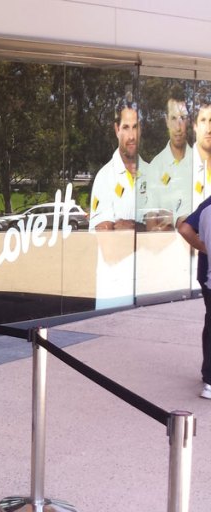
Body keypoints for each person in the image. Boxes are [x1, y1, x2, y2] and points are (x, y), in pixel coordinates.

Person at [89, 95, 147, 231]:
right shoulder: (104, 177)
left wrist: (131, 226)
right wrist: (146, 228)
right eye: (126, 127)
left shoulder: (152, 173)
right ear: (117, 130)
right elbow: (105, 236)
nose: (131, 136)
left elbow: (164, 230)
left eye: (135, 127)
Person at [178, 194, 211, 398]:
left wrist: (203, 247)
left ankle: (208, 376)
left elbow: (184, 227)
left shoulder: (208, 204)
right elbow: (184, 228)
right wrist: (203, 246)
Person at [144, 89, 192, 230]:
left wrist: (170, 219)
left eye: (182, 118)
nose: (178, 127)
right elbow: (151, 225)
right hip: (167, 250)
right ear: (166, 121)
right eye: (173, 118)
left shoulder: (201, 163)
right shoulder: (155, 167)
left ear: (188, 121)